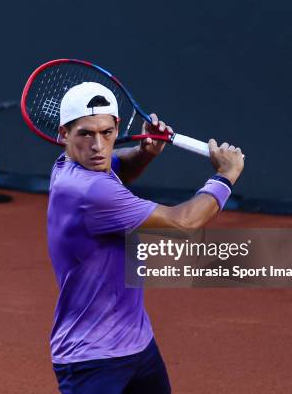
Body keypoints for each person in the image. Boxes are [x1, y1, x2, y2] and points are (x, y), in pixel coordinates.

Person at [47, 82, 244, 393]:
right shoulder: (90, 191)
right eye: (86, 134)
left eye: (106, 133)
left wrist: (145, 151)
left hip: (137, 345)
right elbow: (184, 223)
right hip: (92, 359)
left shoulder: (73, 164)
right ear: (63, 134)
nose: (98, 145)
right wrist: (225, 176)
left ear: (116, 127)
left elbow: (119, 166)